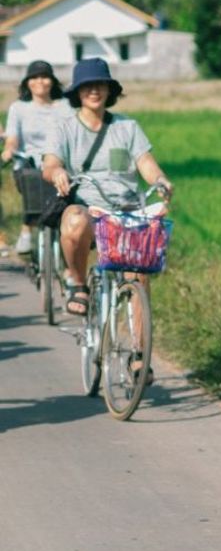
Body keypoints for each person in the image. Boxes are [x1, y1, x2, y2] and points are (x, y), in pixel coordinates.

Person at [42, 58, 173, 384]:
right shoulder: (65, 128)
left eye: (100, 85)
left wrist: (160, 181)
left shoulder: (127, 127)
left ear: (110, 90)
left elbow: (146, 164)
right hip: (89, 208)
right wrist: (57, 172)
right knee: (73, 220)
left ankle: (139, 356)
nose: (94, 91)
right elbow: (51, 162)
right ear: (78, 92)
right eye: (88, 86)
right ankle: (78, 283)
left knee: (138, 277)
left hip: (127, 211)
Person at [2, 61, 72, 255]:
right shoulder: (19, 108)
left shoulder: (66, 106)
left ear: (52, 81)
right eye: (34, 77)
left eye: (44, 77)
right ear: (28, 83)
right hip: (30, 163)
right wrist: (9, 150)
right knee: (32, 179)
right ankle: (26, 229)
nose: (39, 81)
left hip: (60, 162)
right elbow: (13, 138)